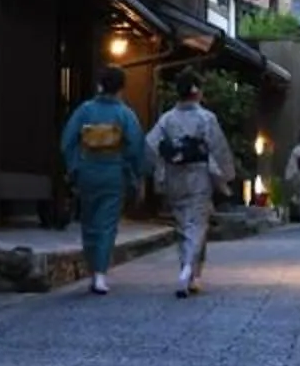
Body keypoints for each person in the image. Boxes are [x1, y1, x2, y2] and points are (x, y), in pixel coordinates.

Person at [57, 64, 147, 294]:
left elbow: (67, 141)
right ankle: (100, 274)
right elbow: (136, 147)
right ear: (121, 88)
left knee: (88, 221)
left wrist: (74, 167)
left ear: (100, 85)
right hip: (113, 172)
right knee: (106, 224)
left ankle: (91, 269)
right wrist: (137, 175)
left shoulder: (85, 111)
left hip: (87, 170)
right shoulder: (125, 114)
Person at [144, 76, 237, 296]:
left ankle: (194, 275)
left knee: (184, 225)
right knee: (197, 224)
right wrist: (225, 175)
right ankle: (187, 270)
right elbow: (218, 149)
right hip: (198, 175)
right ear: (198, 93)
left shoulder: (167, 119)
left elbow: (150, 144)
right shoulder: (206, 118)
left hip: (175, 176)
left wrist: (157, 170)